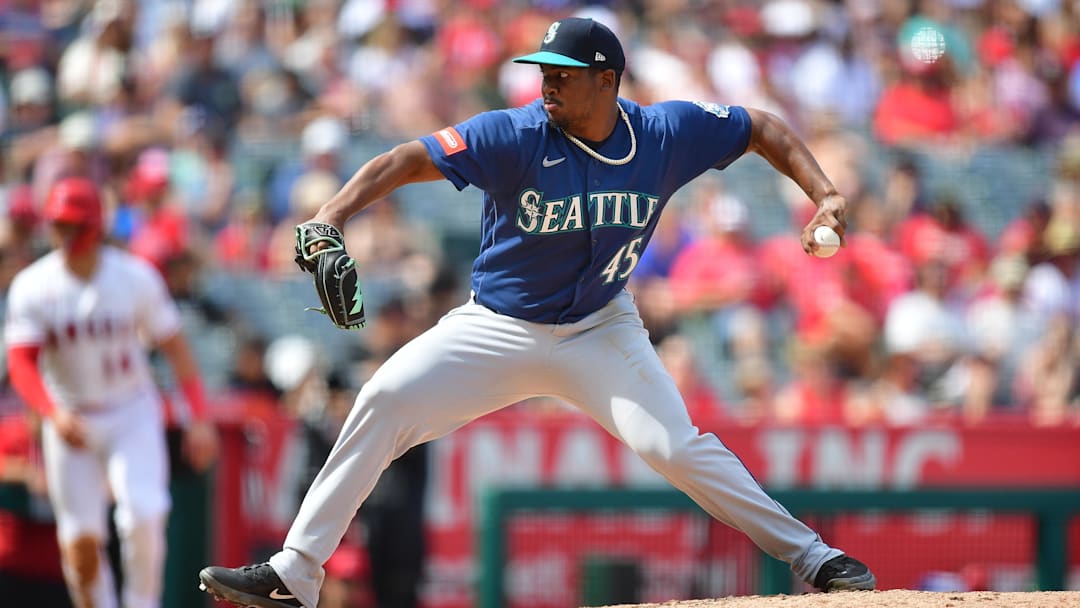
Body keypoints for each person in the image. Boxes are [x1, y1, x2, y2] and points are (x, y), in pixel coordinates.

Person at [198, 18, 876, 608]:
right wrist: (331, 214)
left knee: (673, 446)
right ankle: (296, 573)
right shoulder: (515, 133)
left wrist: (824, 192)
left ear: (606, 79)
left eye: (563, 73)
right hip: (496, 326)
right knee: (382, 397)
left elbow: (760, 127)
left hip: (600, 328)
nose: (546, 83)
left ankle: (813, 557)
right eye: (542, 71)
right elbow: (408, 158)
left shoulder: (666, 133)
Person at [4, 177, 220, 608]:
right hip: (71, 416)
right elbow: (20, 362)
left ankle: (143, 603)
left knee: (143, 513)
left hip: (129, 410)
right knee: (81, 544)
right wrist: (51, 412)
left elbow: (175, 347)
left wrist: (200, 417)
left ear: (96, 226)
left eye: (73, 225)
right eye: (58, 225)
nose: (64, 235)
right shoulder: (33, 285)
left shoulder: (133, 277)